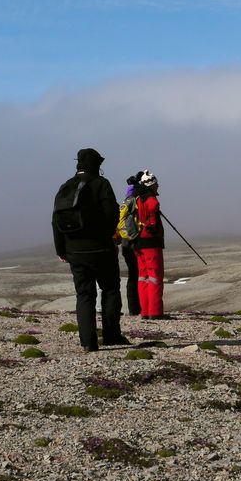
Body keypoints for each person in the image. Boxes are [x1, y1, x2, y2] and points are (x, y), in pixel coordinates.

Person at [52, 148, 128, 352]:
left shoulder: (66, 187)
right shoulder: (101, 184)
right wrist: (108, 236)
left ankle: (88, 342)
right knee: (110, 289)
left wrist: (62, 250)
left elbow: (55, 221)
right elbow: (113, 215)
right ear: (97, 165)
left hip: (75, 251)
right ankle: (112, 336)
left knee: (84, 295)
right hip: (102, 248)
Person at [134, 170, 166, 320]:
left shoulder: (137, 197)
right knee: (155, 276)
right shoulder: (150, 198)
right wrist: (153, 223)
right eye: (156, 184)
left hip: (138, 242)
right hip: (151, 243)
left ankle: (145, 311)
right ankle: (155, 311)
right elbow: (153, 206)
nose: (158, 186)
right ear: (151, 185)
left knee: (143, 277)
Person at [118, 173, 142, 317]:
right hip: (132, 242)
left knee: (133, 275)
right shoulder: (134, 200)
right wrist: (134, 236)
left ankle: (134, 308)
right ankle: (135, 308)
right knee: (135, 275)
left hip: (126, 242)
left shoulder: (127, 199)